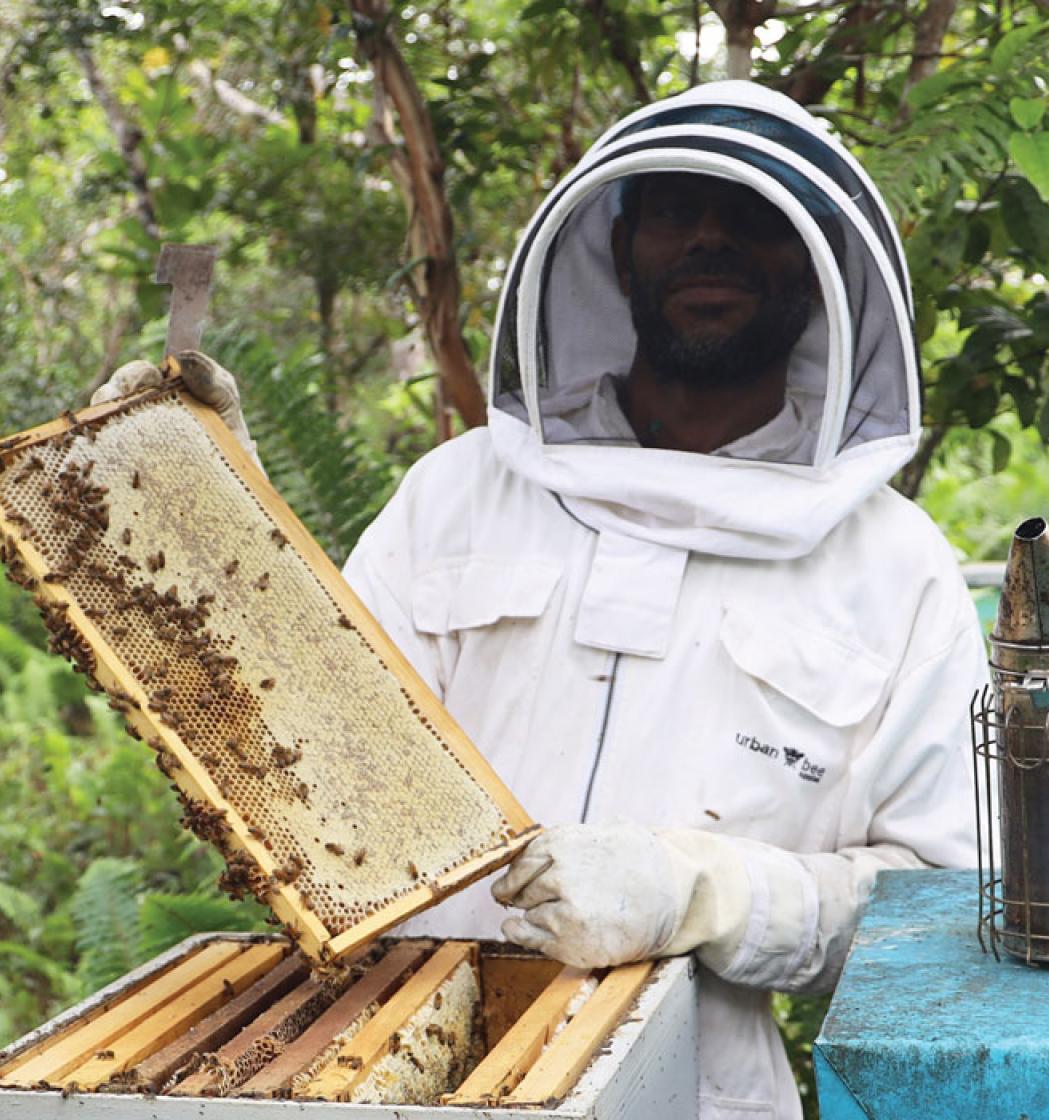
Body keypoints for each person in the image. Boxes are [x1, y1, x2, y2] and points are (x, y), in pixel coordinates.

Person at [97, 80, 982, 1120]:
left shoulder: (895, 567)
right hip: (389, 1069)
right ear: (614, 248)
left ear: (822, 262)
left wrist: (702, 888)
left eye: (753, 216)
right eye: (672, 209)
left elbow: (942, 909)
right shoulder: (460, 493)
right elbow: (314, 764)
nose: (709, 237)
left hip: (695, 1092)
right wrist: (221, 548)